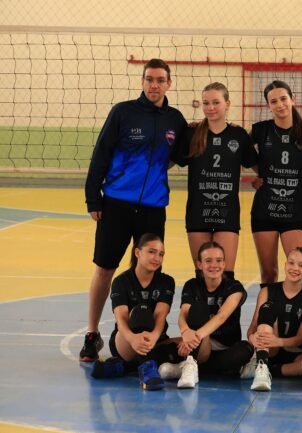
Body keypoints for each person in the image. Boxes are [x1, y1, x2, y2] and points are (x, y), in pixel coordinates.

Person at [80, 58, 187, 362]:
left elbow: (181, 155)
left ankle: (145, 335)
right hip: (117, 203)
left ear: (169, 84)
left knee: (150, 270)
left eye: (160, 80)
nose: (154, 85)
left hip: (153, 207)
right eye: (149, 79)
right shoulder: (123, 112)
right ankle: (92, 334)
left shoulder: (175, 120)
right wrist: (93, 198)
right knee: (105, 268)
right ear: (142, 82)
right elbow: (101, 153)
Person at [171, 82, 257, 279]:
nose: (210, 107)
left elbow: (256, 165)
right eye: (206, 103)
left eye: (216, 102)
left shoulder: (238, 135)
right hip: (197, 212)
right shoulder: (192, 133)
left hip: (227, 213)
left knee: (225, 275)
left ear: (228, 103)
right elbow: (169, 162)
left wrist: (262, 180)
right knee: (203, 274)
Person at [157, 241, 253, 388]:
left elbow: (221, 317)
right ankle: (193, 365)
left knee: (245, 350)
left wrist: (194, 337)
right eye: (208, 261)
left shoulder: (234, 287)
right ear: (200, 264)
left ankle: (184, 367)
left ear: (224, 263)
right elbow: (183, 313)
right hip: (198, 345)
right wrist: (185, 331)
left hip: (223, 346)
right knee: (198, 310)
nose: (214, 265)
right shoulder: (192, 285)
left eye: (219, 260)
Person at [250, 80, 302, 287]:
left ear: (292, 99)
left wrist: (300, 175)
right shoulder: (260, 130)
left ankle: (300, 308)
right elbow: (238, 150)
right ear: (268, 105)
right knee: (268, 274)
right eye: (273, 101)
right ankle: (268, 308)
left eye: (283, 99)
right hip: (265, 209)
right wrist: (260, 173)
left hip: (293, 210)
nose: (279, 104)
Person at [90, 233, 177, 391]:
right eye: (152, 252)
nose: (157, 258)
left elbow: (160, 316)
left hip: (155, 340)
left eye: (161, 254)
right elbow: (121, 319)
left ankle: (121, 367)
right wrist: (132, 338)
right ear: (137, 252)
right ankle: (148, 370)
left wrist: (154, 336)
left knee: (186, 346)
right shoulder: (121, 282)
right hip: (125, 341)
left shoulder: (167, 282)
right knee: (141, 313)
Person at [243, 247, 302, 391]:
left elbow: (301, 338)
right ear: (285, 265)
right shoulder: (267, 291)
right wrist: (252, 338)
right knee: (268, 309)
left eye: (301, 265)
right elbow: (253, 326)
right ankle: (262, 368)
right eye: (291, 263)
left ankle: (273, 370)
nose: (295, 268)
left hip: (297, 354)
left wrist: (278, 341)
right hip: (270, 350)